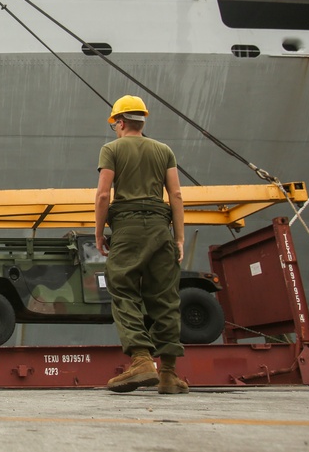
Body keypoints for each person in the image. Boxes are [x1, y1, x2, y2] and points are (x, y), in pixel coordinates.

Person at [94, 95, 187, 395]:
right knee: (166, 298)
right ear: (143, 121)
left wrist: (98, 233)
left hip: (128, 228)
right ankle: (169, 375)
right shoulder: (164, 150)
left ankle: (142, 359)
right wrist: (179, 238)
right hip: (162, 228)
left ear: (120, 122)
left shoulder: (112, 149)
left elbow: (103, 195)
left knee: (124, 290)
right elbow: (176, 196)